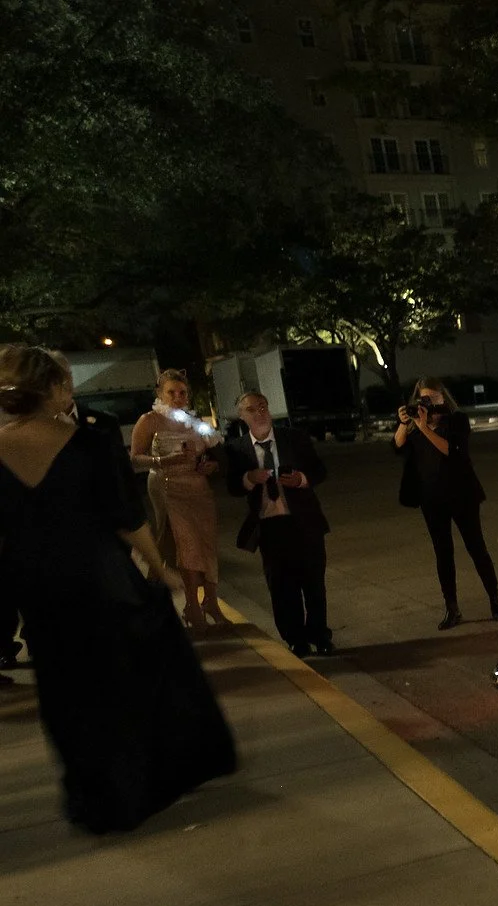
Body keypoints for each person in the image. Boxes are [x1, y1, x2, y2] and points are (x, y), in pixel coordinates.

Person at [0, 344, 236, 832]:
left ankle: (92, 796)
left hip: (36, 586)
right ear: (52, 389)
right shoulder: (85, 443)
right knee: (130, 677)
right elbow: (125, 517)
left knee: (63, 687)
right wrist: (159, 567)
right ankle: (143, 779)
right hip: (98, 576)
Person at [223, 392, 333, 657]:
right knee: (282, 588)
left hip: (304, 521)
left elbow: (320, 470)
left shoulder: (294, 438)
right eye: (252, 410)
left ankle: (320, 636)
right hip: (270, 527)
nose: (259, 413)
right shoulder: (237, 448)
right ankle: (295, 639)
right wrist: (249, 478)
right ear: (242, 416)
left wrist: (301, 479)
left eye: (263, 407)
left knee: (314, 583)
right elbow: (232, 486)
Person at [395, 378, 498, 630]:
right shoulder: (414, 423)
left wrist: (424, 428)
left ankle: (494, 601)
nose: (428, 403)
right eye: (423, 398)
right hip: (431, 499)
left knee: (476, 547)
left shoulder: (456, 420)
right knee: (443, 553)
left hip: (462, 495)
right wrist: (404, 423)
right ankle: (452, 608)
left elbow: (450, 450)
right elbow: (397, 446)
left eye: (433, 398)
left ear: (444, 398)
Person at [131, 369, 226, 631]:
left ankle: (211, 601)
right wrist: (163, 461)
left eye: (182, 392)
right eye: (171, 392)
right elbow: (135, 457)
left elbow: (213, 454)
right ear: (160, 394)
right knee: (185, 543)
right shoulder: (149, 420)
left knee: (206, 541)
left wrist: (210, 465)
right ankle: (192, 606)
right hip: (166, 484)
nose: (177, 397)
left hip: (198, 485)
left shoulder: (194, 422)